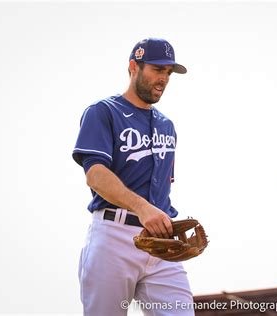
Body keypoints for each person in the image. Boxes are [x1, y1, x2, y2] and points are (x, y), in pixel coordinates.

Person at [72, 38, 193, 316]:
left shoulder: (167, 124)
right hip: (114, 236)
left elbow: (161, 187)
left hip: (161, 244)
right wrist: (142, 207)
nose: (163, 78)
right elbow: (96, 175)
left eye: (168, 72)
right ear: (133, 67)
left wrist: (167, 220)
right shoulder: (103, 112)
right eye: (157, 69)